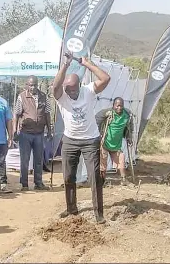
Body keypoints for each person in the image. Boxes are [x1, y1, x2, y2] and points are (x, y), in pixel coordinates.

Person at [52, 53, 110, 223]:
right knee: (68, 176)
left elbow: (106, 78)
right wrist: (66, 65)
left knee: (94, 177)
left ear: (79, 85)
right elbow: (55, 86)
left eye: (73, 89)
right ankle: (71, 209)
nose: (70, 93)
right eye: (67, 89)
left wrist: (87, 64)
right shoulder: (61, 95)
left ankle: (98, 214)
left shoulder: (88, 90)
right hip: (70, 140)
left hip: (90, 140)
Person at [13, 76, 51, 191]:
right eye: (30, 85)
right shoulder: (22, 97)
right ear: (27, 85)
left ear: (37, 84)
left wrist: (49, 130)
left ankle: (38, 183)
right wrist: (14, 130)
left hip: (39, 133)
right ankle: (24, 184)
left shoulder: (44, 96)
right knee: (24, 159)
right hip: (25, 133)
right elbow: (16, 114)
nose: (33, 87)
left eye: (34, 84)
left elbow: (47, 114)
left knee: (39, 159)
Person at [96, 97, 134, 186]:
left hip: (116, 144)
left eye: (121, 106)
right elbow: (96, 119)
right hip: (105, 143)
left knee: (121, 158)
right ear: (113, 106)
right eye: (117, 106)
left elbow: (130, 127)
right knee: (103, 163)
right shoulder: (107, 113)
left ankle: (123, 180)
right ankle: (102, 181)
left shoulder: (127, 114)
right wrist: (97, 136)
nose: (119, 108)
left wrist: (129, 137)